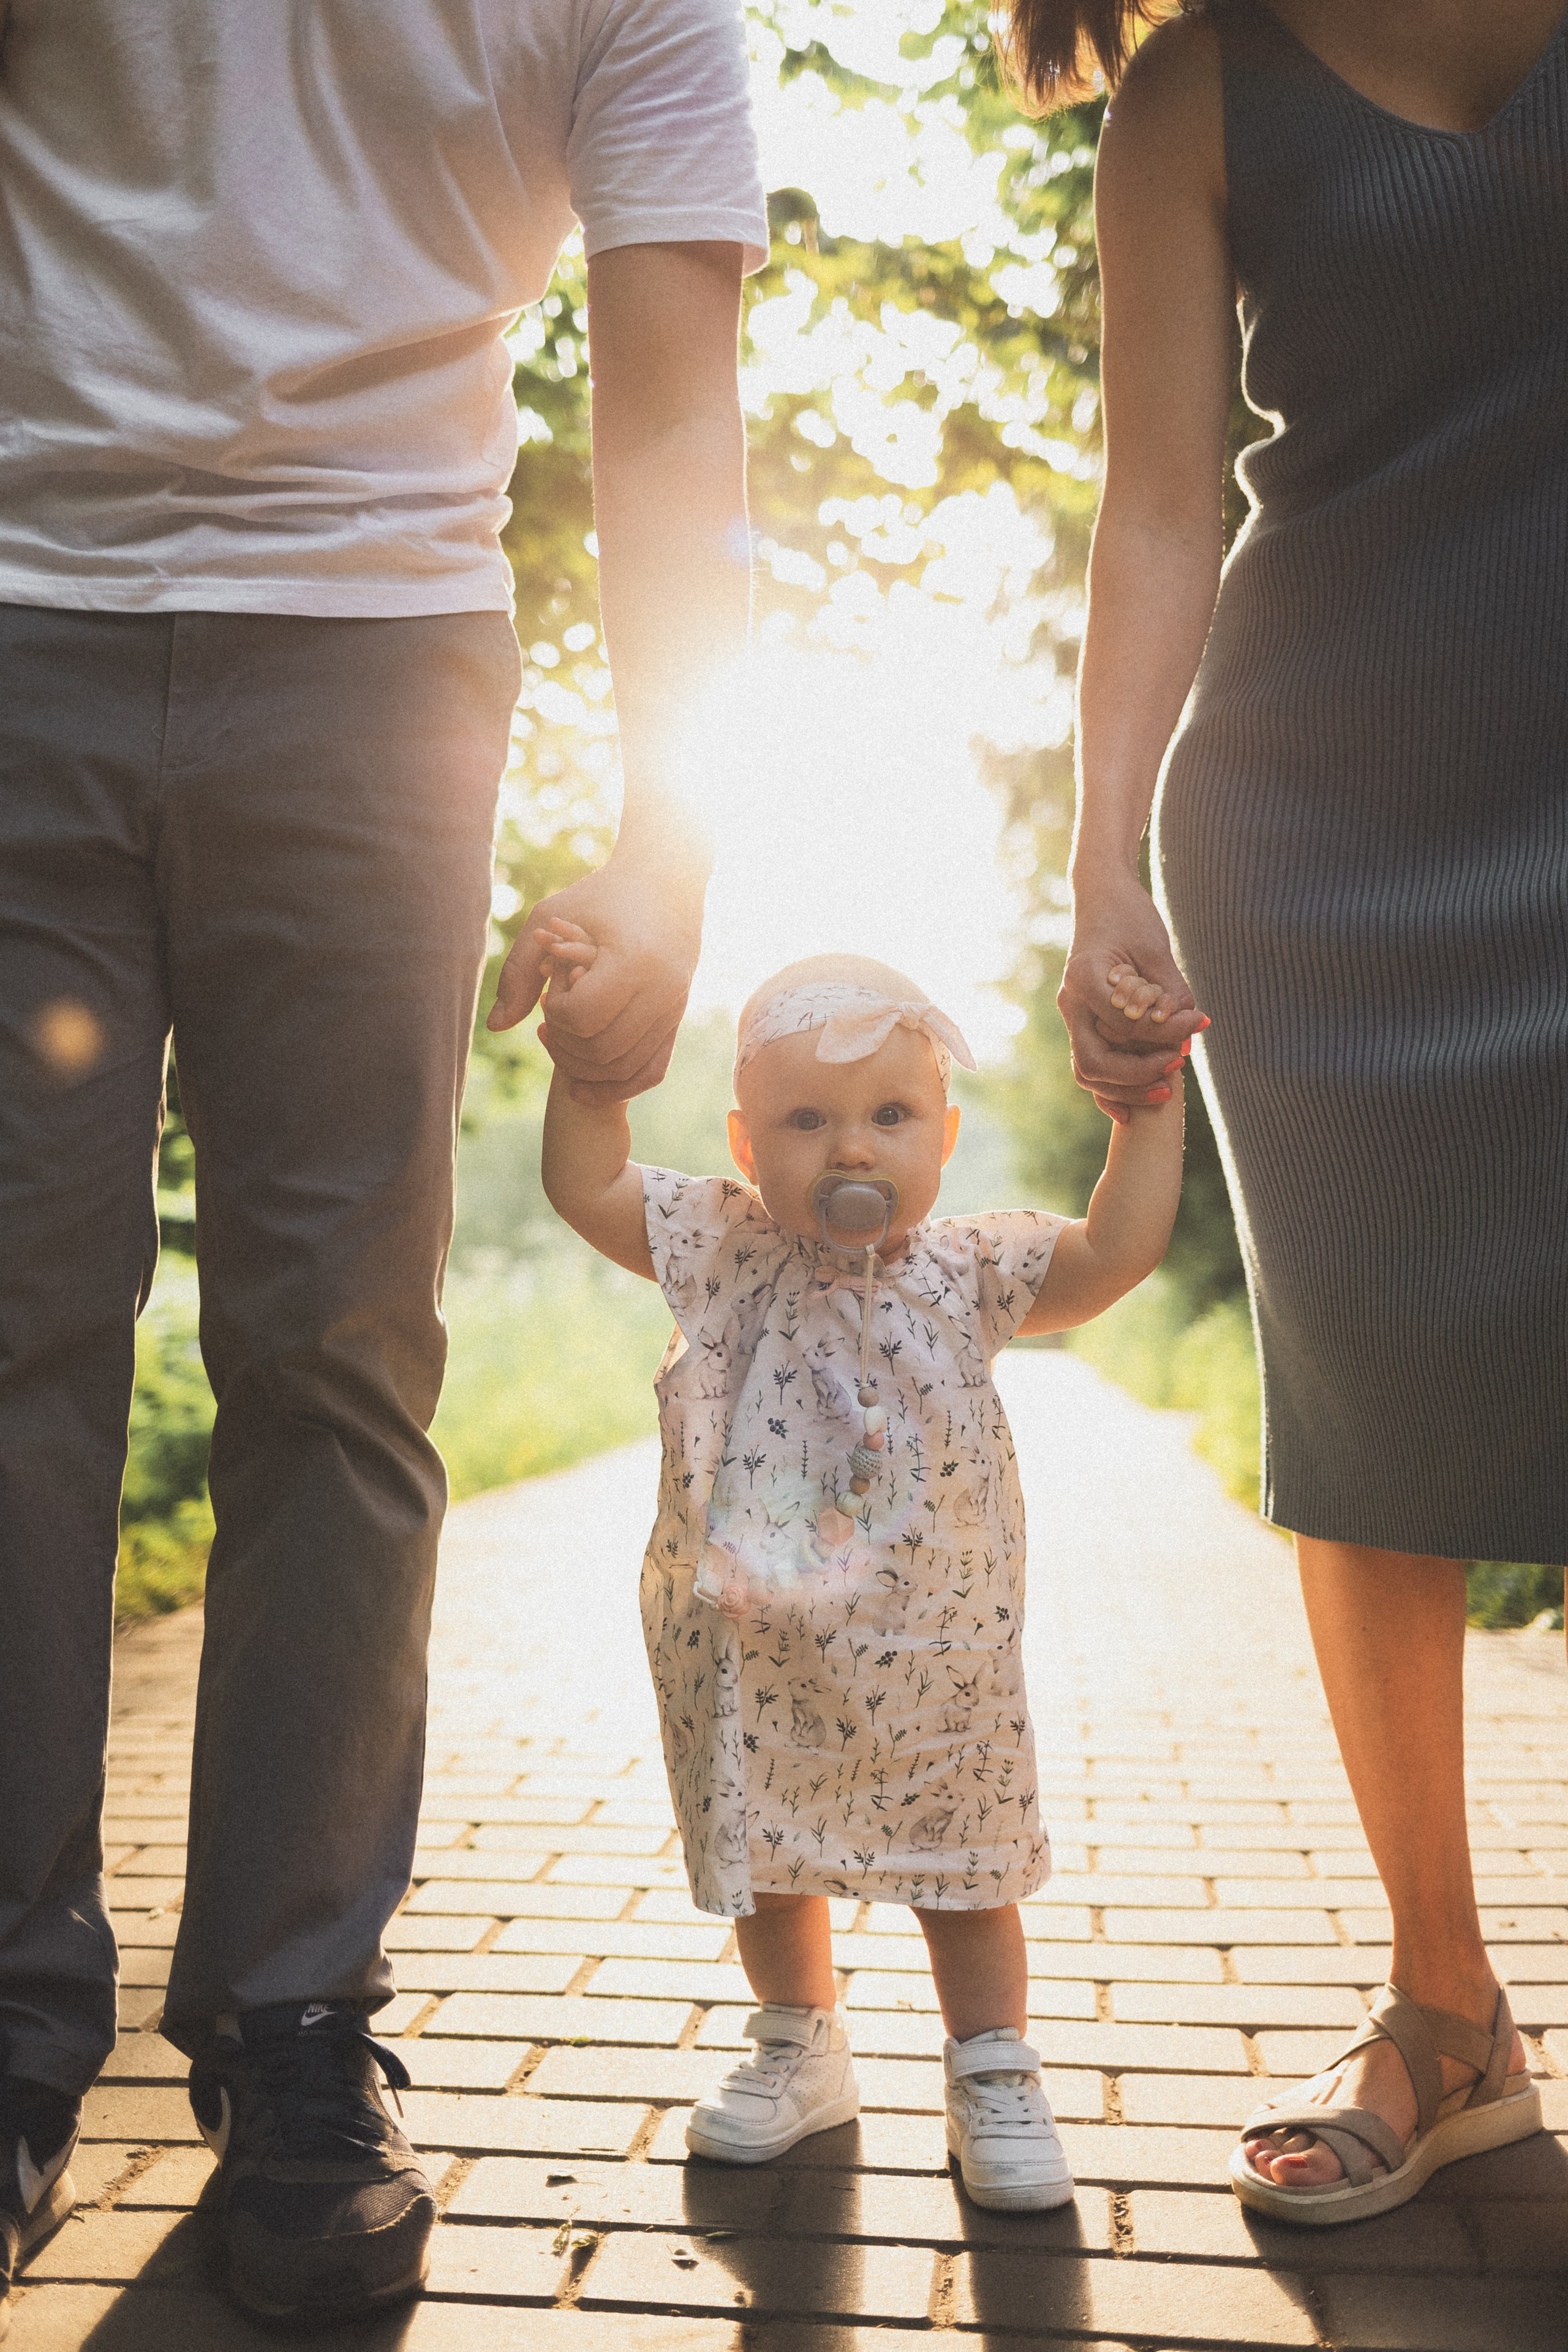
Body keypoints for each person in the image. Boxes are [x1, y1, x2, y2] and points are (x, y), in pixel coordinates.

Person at [0, 0, 766, 2328]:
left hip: (380, 649)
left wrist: (671, 830)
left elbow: (666, 411)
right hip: (13, 604)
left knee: (336, 1355)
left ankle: (296, 2033)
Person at [1000, 0, 1567, 2222]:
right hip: (1325, 827)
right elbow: (1156, 502)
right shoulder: (1201, 85)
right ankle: (1447, 2015)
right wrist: (1102, 851)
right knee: (1369, 1400)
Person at [540, 935, 1185, 2208]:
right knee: (766, 1842)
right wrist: (590, 1071)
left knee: (964, 1854)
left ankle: (990, 2065)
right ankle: (798, 2043)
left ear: (943, 1138)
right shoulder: (723, 1252)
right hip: (754, 1648)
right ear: (743, 1146)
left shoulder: (973, 1271)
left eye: (890, 1115)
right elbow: (585, 1184)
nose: (849, 1149)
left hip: (934, 1657)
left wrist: (1142, 1110)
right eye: (806, 1120)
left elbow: (1113, 1252)